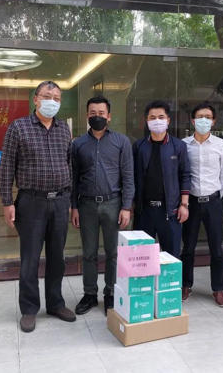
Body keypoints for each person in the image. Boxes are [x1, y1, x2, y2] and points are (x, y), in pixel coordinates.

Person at [0, 80, 76, 333]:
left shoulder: (64, 129)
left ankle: (55, 304)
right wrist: (7, 202)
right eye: (46, 96)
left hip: (60, 201)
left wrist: (70, 199)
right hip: (31, 202)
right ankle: (29, 309)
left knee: (57, 257)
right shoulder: (18, 127)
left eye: (56, 98)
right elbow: (6, 167)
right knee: (30, 258)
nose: (52, 102)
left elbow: (69, 164)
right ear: (35, 99)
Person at [71, 96, 134, 315]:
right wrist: (74, 207)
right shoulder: (78, 144)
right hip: (86, 205)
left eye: (101, 113)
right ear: (87, 116)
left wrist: (126, 207)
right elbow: (74, 178)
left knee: (113, 253)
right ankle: (89, 294)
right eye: (92, 113)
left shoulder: (121, 142)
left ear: (109, 116)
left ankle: (111, 293)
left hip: (113, 204)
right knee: (88, 253)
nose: (96, 117)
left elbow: (128, 176)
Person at [181, 102, 223, 307]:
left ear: (213, 121)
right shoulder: (183, 145)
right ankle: (186, 285)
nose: (204, 120)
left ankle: (218, 289)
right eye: (200, 116)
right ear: (193, 121)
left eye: (208, 117)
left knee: (216, 248)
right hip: (190, 202)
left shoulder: (222, 145)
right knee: (188, 247)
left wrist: (215, 197)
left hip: (212, 202)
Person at [132, 100, 190, 257]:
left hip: (170, 211)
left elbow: (185, 175)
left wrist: (184, 204)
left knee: (172, 257)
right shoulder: (139, 146)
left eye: (161, 117)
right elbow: (133, 177)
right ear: (146, 120)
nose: (157, 121)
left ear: (168, 120)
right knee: (143, 257)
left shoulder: (178, 146)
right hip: (144, 212)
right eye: (152, 118)